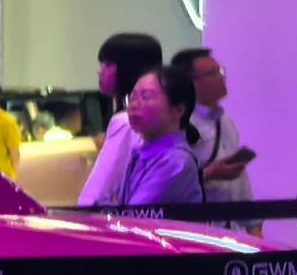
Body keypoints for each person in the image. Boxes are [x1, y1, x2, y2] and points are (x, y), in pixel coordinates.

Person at [77, 55, 208, 210]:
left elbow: (133, 214)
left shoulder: (175, 161)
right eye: (132, 98)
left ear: (178, 110)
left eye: (145, 97)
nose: (133, 105)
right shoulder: (142, 153)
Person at [71, 31, 169, 206]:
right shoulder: (163, 118)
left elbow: (96, 194)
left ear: (128, 68)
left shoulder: (126, 122)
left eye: (108, 64)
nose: (100, 72)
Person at [181, 45, 254, 203]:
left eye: (220, 71)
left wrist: (251, 215)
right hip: (199, 215)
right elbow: (172, 182)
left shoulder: (225, 121)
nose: (222, 78)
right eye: (213, 73)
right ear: (191, 82)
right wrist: (208, 174)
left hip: (233, 216)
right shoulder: (179, 124)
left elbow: (240, 180)